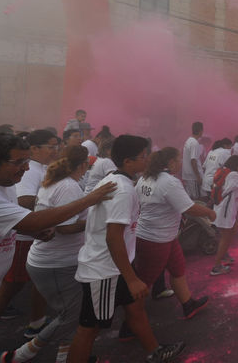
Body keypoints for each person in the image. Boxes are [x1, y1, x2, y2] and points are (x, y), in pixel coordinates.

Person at [0, 133, 115, 363]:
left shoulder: (4, 183)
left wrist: (32, 232)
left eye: (27, 161)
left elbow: (11, 222)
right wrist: (91, 198)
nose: (27, 168)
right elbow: (33, 220)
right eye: (18, 162)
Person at [67, 135, 185, 363]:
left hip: (118, 265)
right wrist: (131, 279)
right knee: (89, 328)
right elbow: (113, 237)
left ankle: (155, 351)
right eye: (143, 156)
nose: (148, 159)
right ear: (128, 162)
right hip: (105, 270)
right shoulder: (123, 190)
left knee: (136, 308)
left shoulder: (118, 180)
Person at [0, 145, 93, 362]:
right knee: (72, 315)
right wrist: (95, 222)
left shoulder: (56, 182)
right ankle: (23, 353)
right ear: (83, 165)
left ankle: (64, 355)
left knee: (71, 312)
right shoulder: (68, 186)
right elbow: (64, 228)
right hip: (56, 263)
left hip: (52, 260)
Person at [124, 148, 216, 331]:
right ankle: (129, 325)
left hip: (164, 236)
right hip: (155, 240)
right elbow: (188, 208)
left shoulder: (145, 178)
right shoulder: (169, 182)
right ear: (171, 162)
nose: (180, 163)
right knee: (143, 283)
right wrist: (209, 212)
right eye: (178, 159)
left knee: (178, 268)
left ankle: (188, 304)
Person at [0, 130, 60, 339]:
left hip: (32, 234)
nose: (55, 150)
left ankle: (36, 321)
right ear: (35, 148)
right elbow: (24, 201)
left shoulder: (41, 167)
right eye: (51, 146)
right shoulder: (30, 171)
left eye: (57, 146)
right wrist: (53, 210)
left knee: (32, 282)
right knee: (10, 288)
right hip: (23, 238)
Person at [210, 156, 238, 276]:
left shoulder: (223, 171)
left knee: (233, 229)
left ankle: (224, 255)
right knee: (226, 237)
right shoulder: (233, 175)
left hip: (221, 208)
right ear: (237, 166)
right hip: (225, 211)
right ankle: (216, 266)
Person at [181, 122, 204, 200]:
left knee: (189, 199)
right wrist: (198, 176)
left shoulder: (188, 140)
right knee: (196, 199)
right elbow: (193, 160)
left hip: (188, 176)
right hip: (193, 177)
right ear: (200, 130)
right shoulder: (194, 143)